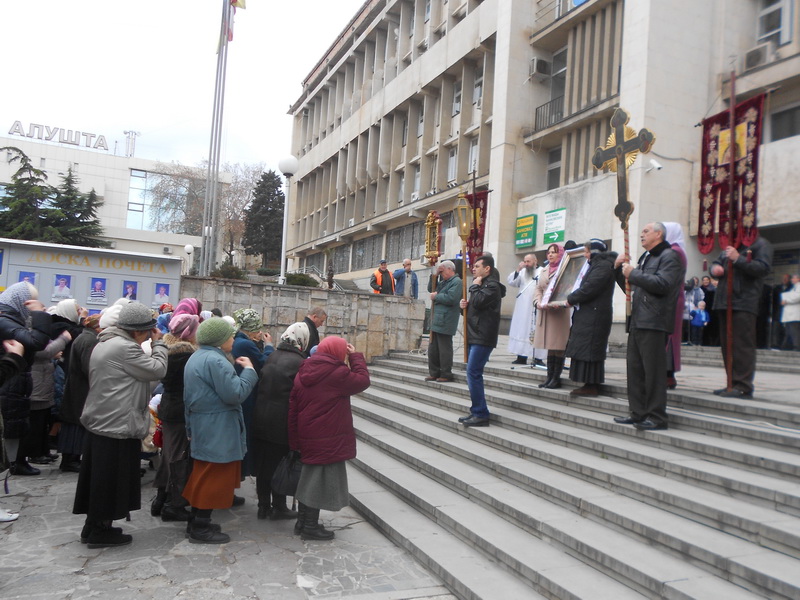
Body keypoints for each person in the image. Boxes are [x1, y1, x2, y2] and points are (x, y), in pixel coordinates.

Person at [73, 302, 168, 548]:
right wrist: (159, 344)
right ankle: (100, 531)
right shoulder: (126, 348)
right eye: (147, 331)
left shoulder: (104, 341)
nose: (149, 334)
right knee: (109, 480)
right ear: (137, 331)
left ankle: (93, 526)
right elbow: (158, 369)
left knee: (99, 478)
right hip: (117, 423)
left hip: (103, 420)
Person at [181, 318, 258, 544]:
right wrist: (250, 371)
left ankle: (196, 520)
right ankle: (201, 527)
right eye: (230, 335)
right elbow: (235, 394)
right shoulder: (216, 360)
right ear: (220, 339)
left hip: (204, 424)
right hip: (217, 426)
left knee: (203, 473)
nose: (233, 339)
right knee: (214, 476)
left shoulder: (197, 356)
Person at [288, 336, 370, 540]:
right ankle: (310, 526)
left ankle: (302, 522)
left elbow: (292, 407)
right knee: (318, 481)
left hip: (308, 434)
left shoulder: (304, 369)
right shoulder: (337, 373)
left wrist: (294, 439)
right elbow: (362, 381)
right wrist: (356, 357)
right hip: (327, 435)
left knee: (310, 478)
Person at [614, 222, 686, 431]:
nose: (642, 234)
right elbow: (634, 288)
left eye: (646, 231)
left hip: (655, 321)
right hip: (638, 320)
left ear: (659, 234)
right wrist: (618, 270)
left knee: (653, 372)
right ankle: (637, 413)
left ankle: (656, 416)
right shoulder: (647, 257)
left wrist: (633, 273)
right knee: (635, 370)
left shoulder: (669, 256)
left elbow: (663, 285)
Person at [252, 322, 309, 520]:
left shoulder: (273, 356)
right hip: (281, 420)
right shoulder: (301, 362)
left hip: (261, 417)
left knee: (264, 464)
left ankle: (262, 506)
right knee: (279, 464)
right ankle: (278, 505)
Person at [0, 282, 56, 478]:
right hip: (9, 386)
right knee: (11, 431)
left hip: (15, 384)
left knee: (16, 429)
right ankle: (15, 463)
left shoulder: (10, 318)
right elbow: (36, 343)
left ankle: (16, 462)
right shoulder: (4, 320)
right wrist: (40, 315)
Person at [150, 312, 200, 523]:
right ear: (189, 333)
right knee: (178, 457)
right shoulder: (185, 355)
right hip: (180, 411)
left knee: (169, 455)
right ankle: (174, 504)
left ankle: (161, 498)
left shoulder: (166, 349)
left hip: (169, 407)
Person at [710, 234, 773, 399]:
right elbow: (717, 261)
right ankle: (732, 383)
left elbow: (763, 268)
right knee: (727, 345)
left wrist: (739, 259)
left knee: (742, 345)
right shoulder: (733, 243)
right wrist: (715, 268)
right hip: (725, 300)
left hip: (744, 300)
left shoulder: (761, 244)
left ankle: (743, 385)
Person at [564, 239, 617, 397]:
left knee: (590, 349)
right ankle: (587, 382)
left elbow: (590, 288)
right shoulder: (596, 265)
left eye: (587, 251)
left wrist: (571, 298)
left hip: (595, 315)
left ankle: (591, 384)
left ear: (594, 252)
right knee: (584, 348)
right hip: (589, 313)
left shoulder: (603, 266)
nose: (585, 255)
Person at [457, 255, 505, 427]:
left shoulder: (493, 287)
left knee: (473, 372)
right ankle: (476, 410)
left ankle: (481, 413)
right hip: (475, 334)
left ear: (487, 269)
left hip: (483, 336)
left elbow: (478, 302)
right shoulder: (483, 286)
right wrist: (465, 307)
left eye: (477, 266)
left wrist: (474, 287)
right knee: (472, 373)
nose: (474, 269)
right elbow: (475, 309)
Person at [231, 308, 274, 481]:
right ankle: (241, 472)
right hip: (247, 394)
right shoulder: (245, 344)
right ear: (249, 328)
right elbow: (265, 362)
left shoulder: (237, 340)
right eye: (257, 329)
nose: (259, 332)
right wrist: (269, 345)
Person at [58, 314, 102, 473]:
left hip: (77, 387)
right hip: (81, 389)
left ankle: (71, 458)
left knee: (74, 423)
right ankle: (71, 459)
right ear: (96, 327)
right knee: (76, 424)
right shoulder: (89, 340)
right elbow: (88, 366)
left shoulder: (85, 338)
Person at [533, 244, 571, 389]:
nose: (550, 255)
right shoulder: (544, 270)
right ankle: (549, 377)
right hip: (545, 311)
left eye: (554, 253)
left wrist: (560, 302)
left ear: (560, 254)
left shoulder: (565, 270)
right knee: (550, 345)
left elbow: (569, 288)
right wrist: (537, 301)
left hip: (558, 312)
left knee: (558, 345)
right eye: (548, 253)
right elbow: (538, 288)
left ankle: (556, 378)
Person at [426, 260, 462, 383]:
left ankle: (446, 372)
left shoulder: (456, 282)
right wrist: (435, 275)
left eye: (443, 271)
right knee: (433, 349)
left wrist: (436, 297)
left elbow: (451, 298)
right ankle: (434, 372)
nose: (442, 274)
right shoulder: (443, 282)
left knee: (444, 349)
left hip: (446, 319)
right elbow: (431, 288)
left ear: (450, 269)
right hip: (437, 318)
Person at [506, 253, 544, 366]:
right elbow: (512, 282)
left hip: (536, 307)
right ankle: (521, 356)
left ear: (535, 261)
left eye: (529, 261)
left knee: (536, 331)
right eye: (525, 261)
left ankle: (538, 358)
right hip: (522, 308)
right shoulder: (522, 272)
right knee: (522, 330)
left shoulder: (542, 271)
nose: (526, 264)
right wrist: (518, 269)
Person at [664, 223, 689, 389]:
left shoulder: (675, 251)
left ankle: (668, 374)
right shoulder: (673, 250)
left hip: (671, 299)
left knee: (670, 337)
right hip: (670, 298)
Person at [781, 275, 800, 350]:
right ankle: (786, 346)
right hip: (790, 314)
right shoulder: (794, 287)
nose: (792, 279)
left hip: (794, 314)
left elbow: (797, 297)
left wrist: (786, 300)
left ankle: (796, 346)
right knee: (788, 331)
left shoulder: (798, 287)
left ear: (798, 279)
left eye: (793, 278)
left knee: (794, 331)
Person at [700, 275, 719, 346]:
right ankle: (707, 342)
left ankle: (716, 342)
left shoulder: (721, 290)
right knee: (708, 327)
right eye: (714, 281)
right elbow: (706, 301)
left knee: (716, 328)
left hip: (717, 312)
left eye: (717, 281)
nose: (715, 282)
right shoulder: (709, 290)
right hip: (709, 312)